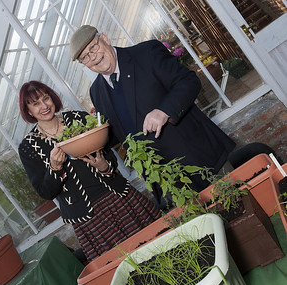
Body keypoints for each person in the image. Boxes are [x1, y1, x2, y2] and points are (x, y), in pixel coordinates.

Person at [70, 25, 236, 198]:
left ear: (105, 38)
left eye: (93, 47)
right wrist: (91, 138)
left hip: (201, 159)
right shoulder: (96, 92)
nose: (93, 57)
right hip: (167, 182)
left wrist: (163, 111)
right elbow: (118, 134)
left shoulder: (146, 53)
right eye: (85, 57)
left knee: (240, 207)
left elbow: (188, 81)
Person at [18, 81, 161, 262]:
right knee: (123, 266)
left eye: (46, 98)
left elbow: (108, 154)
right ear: (28, 111)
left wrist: (104, 166)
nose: (44, 106)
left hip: (117, 196)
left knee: (157, 241)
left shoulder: (79, 119)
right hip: (87, 217)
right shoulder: (29, 147)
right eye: (35, 103)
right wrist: (54, 168)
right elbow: (45, 191)